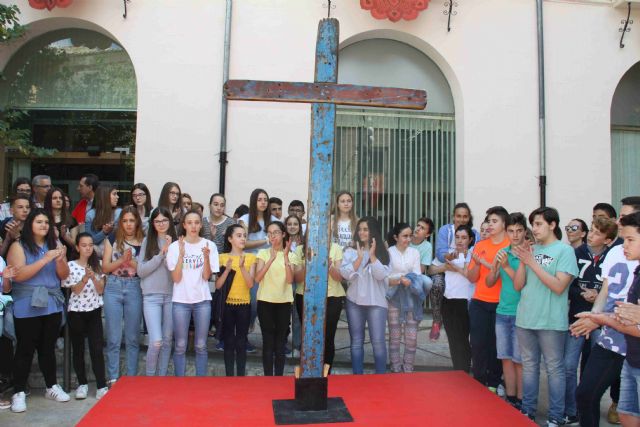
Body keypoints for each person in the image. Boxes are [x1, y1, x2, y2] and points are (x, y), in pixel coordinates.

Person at [571, 197, 640, 426]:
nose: (619, 220)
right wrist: (594, 318)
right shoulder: (615, 252)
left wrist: (599, 319)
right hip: (611, 336)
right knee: (586, 394)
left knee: (626, 406)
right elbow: (606, 292)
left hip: (632, 340)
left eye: (625, 216)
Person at [514, 207, 578, 426]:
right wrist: (524, 260)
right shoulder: (532, 249)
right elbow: (519, 285)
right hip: (525, 317)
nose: (535, 229)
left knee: (554, 368)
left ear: (553, 225)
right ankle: (528, 411)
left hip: (550, 320)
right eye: (533, 224)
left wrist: (532, 262)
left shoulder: (564, 251)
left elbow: (560, 286)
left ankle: (555, 416)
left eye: (539, 224)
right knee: (530, 366)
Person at [7, 208, 70, 413]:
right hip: (27, 302)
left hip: (51, 302)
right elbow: (19, 275)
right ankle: (18, 392)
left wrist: (60, 259)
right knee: (25, 348)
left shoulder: (56, 244)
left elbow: (64, 275)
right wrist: (45, 259)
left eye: (46, 222)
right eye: (39, 222)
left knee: (47, 347)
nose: (43, 225)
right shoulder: (19, 246)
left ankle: (51, 386)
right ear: (30, 225)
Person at [562, 217, 617, 424]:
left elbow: (612, 289)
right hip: (577, 315)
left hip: (601, 321)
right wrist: (582, 293)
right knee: (568, 364)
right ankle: (571, 409)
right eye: (591, 231)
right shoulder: (576, 254)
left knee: (594, 367)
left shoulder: (613, 257)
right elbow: (569, 284)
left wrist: (599, 296)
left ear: (608, 240)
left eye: (596, 233)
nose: (591, 235)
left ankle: (588, 408)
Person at [166, 210, 219, 376]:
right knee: (180, 345)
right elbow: (176, 278)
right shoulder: (175, 247)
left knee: (201, 345)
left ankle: (200, 384)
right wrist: (181, 255)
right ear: (184, 225)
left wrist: (206, 257)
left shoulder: (209, 245)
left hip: (202, 301)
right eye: (189, 222)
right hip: (181, 301)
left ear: (201, 225)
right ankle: (180, 383)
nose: (193, 226)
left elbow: (206, 276)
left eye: (196, 222)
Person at [466, 206, 511, 391]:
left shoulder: (510, 245)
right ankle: (478, 381)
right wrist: (477, 264)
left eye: (494, 221)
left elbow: (508, 275)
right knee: (477, 343)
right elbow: (472, 277)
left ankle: (494, 381)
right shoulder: (480, 245)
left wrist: (489, 265)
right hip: (479, 301)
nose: (490, 225)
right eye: (488, 221)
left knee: (495, 346)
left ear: (504, 224)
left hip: (501, 303)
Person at [486, 212, 527, 409]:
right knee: (506, 358)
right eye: (511, 231)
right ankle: (510, 400)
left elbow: (520, 285)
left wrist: (506, 266)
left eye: (519, 230)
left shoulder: (528, 254)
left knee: (520, 361)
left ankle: (522, 401)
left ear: (525, 232)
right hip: (503, 312)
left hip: (522, 313)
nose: (515, 235)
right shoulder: (503, 252)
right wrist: (494, 268)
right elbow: (489, 282)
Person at [340, 217, 390, 374]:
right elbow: (346, 274)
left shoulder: (383, 252)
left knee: (378, 342)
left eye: (366, 229)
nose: (361, 232)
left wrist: (373, 256)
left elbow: (381, 275)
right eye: (360, 229)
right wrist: (360, 258)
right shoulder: (350, 251)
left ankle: (380, 378)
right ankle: (357, 378)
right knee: (356, 342)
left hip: (377, 303)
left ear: (373, 231)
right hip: (354, 302)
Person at [62, 233, 108, 400]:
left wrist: (93, 277)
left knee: (96, 348)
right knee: (78, 349)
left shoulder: (98, 265)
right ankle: (82, 384)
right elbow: (75, 290)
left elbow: (101, 289)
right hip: (76, 312)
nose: (88, 248)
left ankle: (101, 385)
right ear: (77, 247)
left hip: (94, 310)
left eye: (90, 245)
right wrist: (84, 278)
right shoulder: (71, 265)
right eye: (84, 245)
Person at [102, 206, 144, 385]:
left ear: (137, 222)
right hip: (113, 286)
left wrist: (131, 261)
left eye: (132, 220)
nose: (128, 224)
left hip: (134, 287)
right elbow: (105, 267)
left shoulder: (143, 241)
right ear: (120, 223)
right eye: (125, 221)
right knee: (113, 336)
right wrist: (121, 260)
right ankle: (113, 377)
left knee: (133, 336)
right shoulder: (111, 239)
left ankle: (131, 379)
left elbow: (143, 269)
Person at [137, 207, 177, 376]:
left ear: (170, 221)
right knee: (156, 341)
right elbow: (141, 271)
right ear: (152, 223)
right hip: (151, 296)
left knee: (168, 340)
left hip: (171, 295)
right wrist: (161, 254)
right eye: (157, 221)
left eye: (164, 220)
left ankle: (162, 378)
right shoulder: (148, 242)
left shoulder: (177, 243)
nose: (161, 224)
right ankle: (150, 378)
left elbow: (175, 271)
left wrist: (171, 250)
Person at [432, 202, 480, 341]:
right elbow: (440, 252)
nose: (461, 219)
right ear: (453, 217)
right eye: (458, 216)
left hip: (462, 273)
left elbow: (475, 253)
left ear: (469, 217)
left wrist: (463, 259)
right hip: (443, 267)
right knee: (437, 286)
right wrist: (452, 256)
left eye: (465, 216)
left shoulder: (475, 234)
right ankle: (436, 319)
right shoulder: (446, 230)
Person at [294, 241, 345, 372]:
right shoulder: (300, 249)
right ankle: (308, 371)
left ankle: (326, 373)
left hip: (332, 296)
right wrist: (309, 263)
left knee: (328, 337)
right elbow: (296, 278)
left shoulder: (336, 247)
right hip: (305, 296)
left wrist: (329, 266)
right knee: (307, 336)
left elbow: (339, 277)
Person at [255, 221, 296, 376]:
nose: (273, 236)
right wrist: (271, 259)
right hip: (265, 302)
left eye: (276, 232)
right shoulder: (263, 253)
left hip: (284, 302)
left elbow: (290, 280)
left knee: (280, 342)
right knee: (268, 341)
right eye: (270, 233)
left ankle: (278, 377)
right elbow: (257, 278)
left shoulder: (290, 255)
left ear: (283, 234)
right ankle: (267, 377)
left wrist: (284, 257)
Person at [216, 224, 256, 376]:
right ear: (230, 239)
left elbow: (250, 284)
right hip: (227, 305)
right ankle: (229, 376)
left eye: (244, 235)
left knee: (241, 341)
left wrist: (242, 267)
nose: (243, 238)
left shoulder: (251, 258)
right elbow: (219, 285)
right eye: (239, 235)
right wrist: (227, 270)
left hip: (244, 304)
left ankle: (240, 375)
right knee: (228, 341)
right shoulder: (222, 258)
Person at [386, 222, 425, 373]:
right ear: (396, 237)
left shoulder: (414, 253)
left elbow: (417, 275)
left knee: (412, 338)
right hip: (394, 298)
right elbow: (386, 276)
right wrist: (401, 278)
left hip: (412, 298)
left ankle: (408, 368)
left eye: (410, 236)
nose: (408, 239)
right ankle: (395, 368)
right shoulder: (389, 252)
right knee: (394, 336)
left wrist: (404, 278)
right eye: (405, 236)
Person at [435, 224, 475, 372]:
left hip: (465, 301)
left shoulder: (474, 254)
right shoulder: (449, 254)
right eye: (457, 237)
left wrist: (458, 267)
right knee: (453, 340)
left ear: (470, 239)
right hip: (448, 300)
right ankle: (458, 371)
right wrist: (446, 266)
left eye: (464, 237)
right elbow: (432, 269)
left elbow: (472, 277)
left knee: (465, 340)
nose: (460, 240)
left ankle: (465, 371)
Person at [44, 187, 79, 258]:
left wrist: (65, 236)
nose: (58, 200)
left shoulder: (71, 220)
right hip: (47, 256)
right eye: (54, 198)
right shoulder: (43, 218)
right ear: (48, 200)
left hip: (68, 257)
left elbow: (75, 245)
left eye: (60, 198)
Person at [85, 185, 121, 251]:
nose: (117, 197)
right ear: (105, 196)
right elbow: (89, 241)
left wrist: (114, 229)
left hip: (115, 250)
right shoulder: (90, 214)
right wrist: (104, 232)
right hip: (97, 251)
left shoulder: (119, 213)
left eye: (117, 194)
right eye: (114, 194)